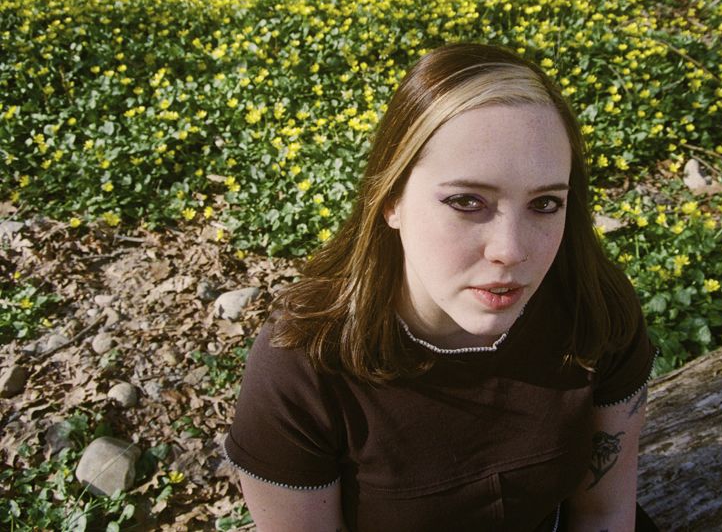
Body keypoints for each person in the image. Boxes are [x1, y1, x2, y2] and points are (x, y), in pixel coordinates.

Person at [224, 43, 660, 532]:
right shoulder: (306, 365)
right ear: (391, 200)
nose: (511, 250)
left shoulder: (591, 305)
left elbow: (603, 515)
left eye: (544, 204)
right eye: (467, 201)